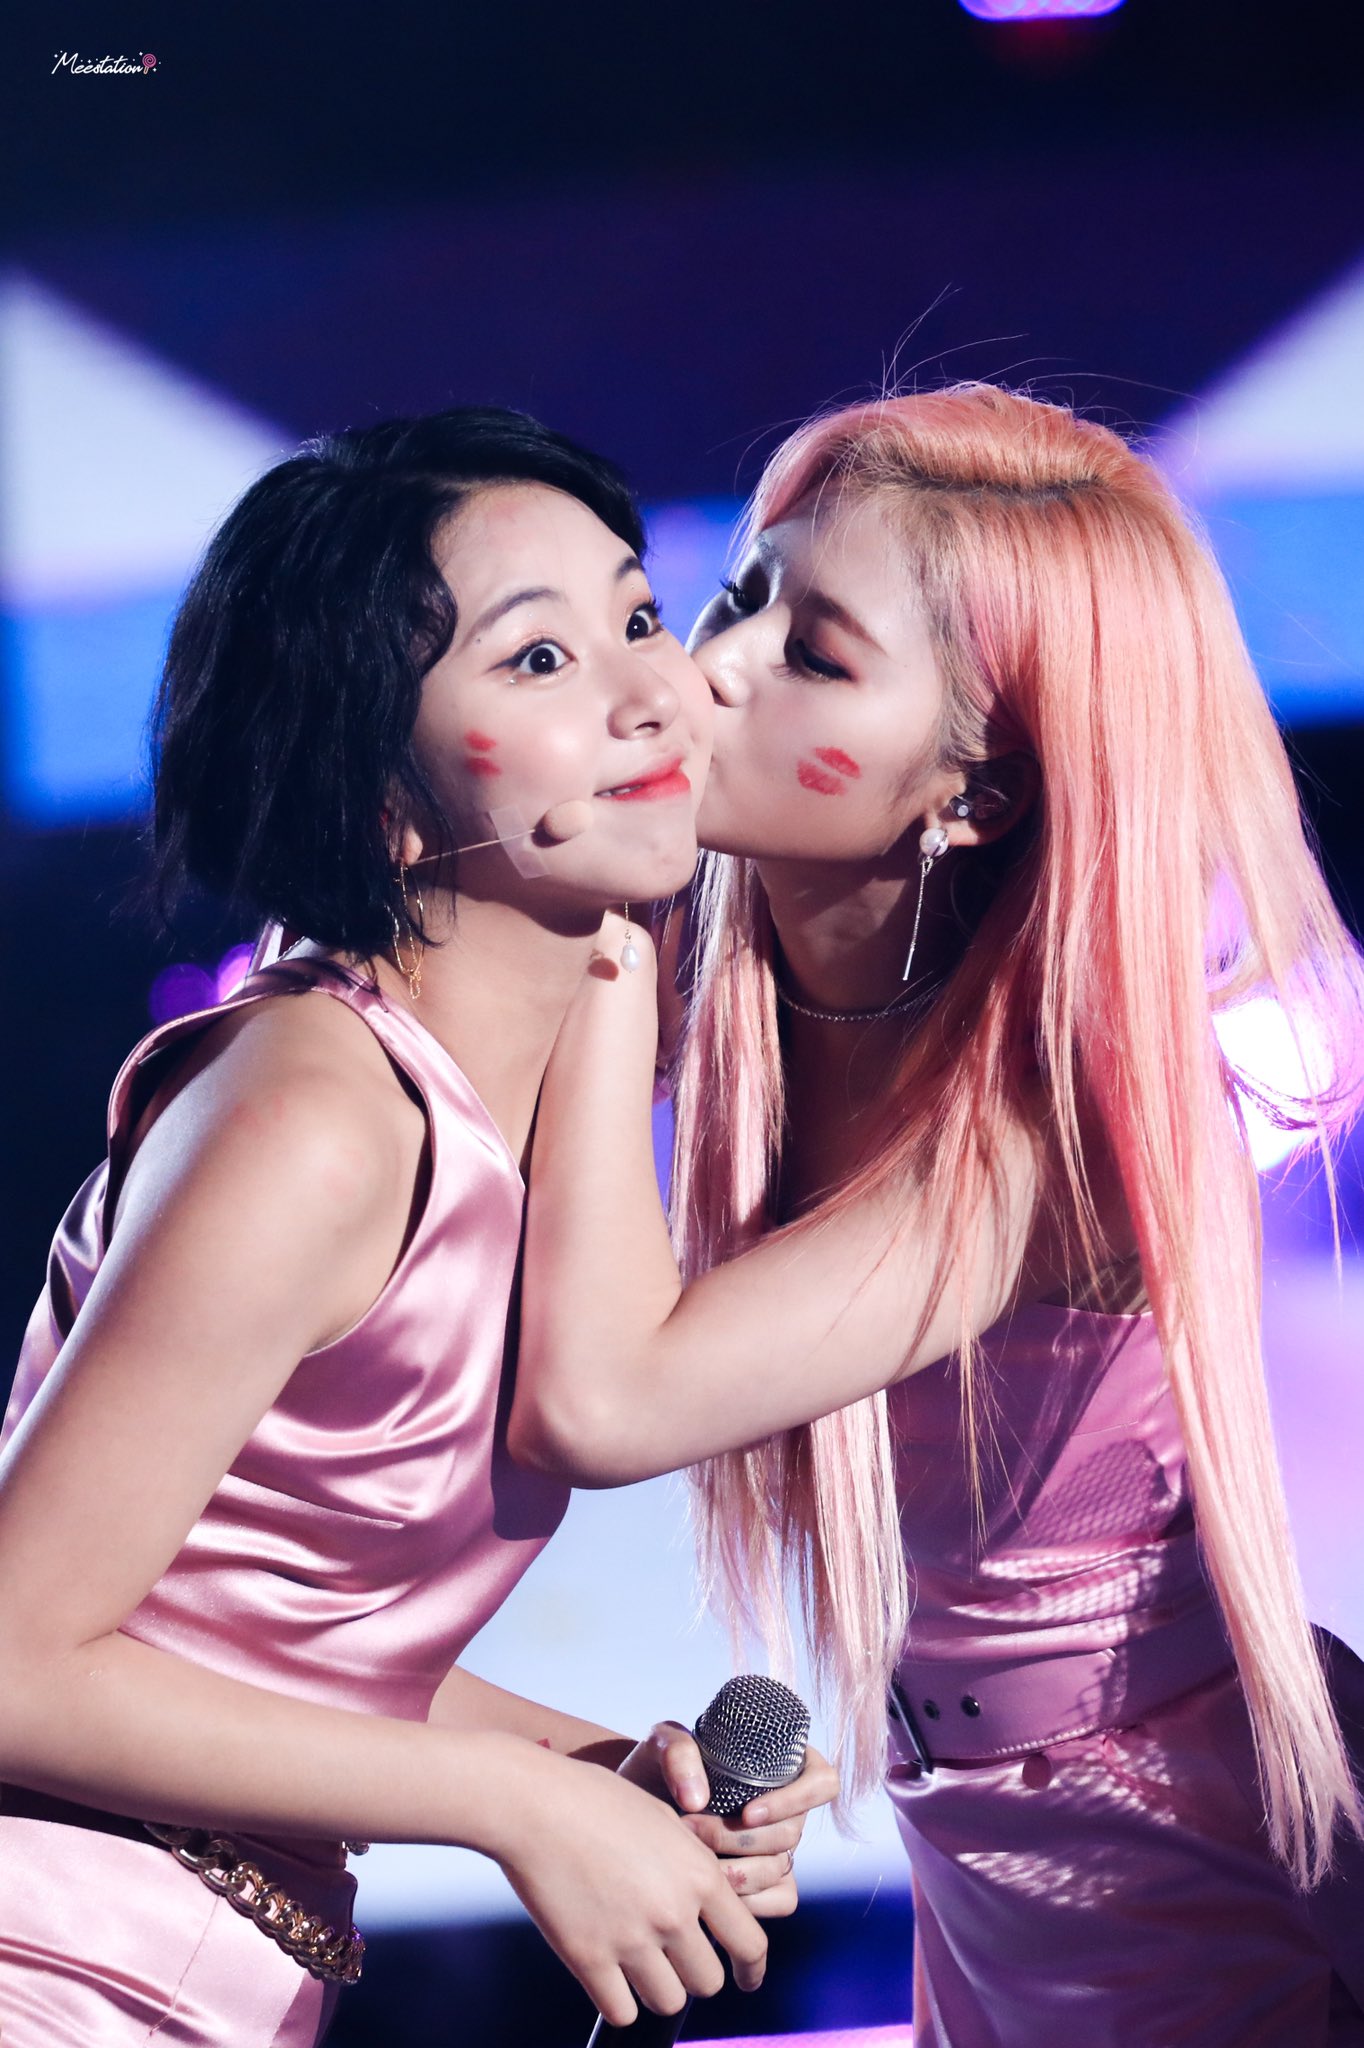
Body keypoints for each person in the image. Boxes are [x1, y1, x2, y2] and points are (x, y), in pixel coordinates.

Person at [512, 385, 1364, 2043]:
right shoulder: (737, 979)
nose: (715, 667)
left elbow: (600, 1404)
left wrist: (606, 923)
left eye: (816, 656)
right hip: (984, 1840)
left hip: (1161, 1854)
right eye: (740, 596)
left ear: (976, 792)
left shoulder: (1052, 1124)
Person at [0, 407, 835, 2048]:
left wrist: (590, 1775)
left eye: (640, 616)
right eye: (539, 659)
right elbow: (16, 1661)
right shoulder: (316, 1118)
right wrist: (516, 1808)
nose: (652, 690)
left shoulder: (494, 1102)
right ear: (380, 795)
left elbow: (265, 1641)